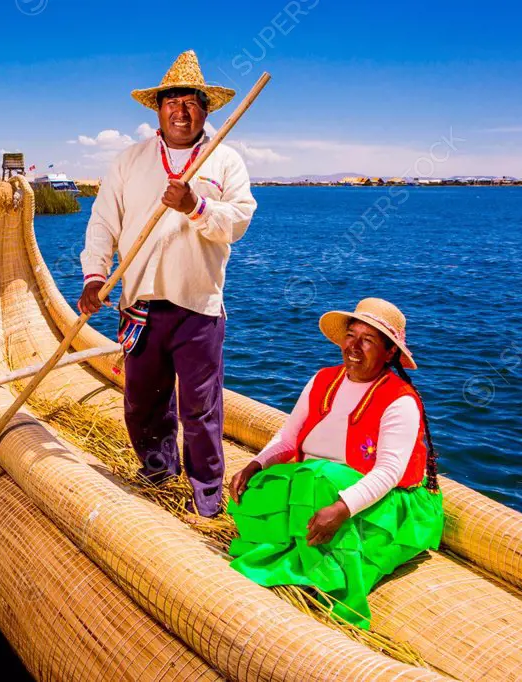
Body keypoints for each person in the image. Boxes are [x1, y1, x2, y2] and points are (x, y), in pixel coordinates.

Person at [77, 50, 257, 518]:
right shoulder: (130, 161)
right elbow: (102, 224)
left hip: (198, 307)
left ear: (206, 109)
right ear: (157, 109)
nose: (181, 110)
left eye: (191, 102)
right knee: (142, 403)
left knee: (201, 410)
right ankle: (158, 473)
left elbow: (237, 221)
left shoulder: (225, 161)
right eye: (171, 101)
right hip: (139, 306)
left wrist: (195, 205)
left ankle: (207, 495)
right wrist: (95, 275)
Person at [227, 298, 444, 629]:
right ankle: (300, 544)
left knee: (320, 480)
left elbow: (388, 473)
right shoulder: (324, 379)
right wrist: (255, 465)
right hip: (313, 483)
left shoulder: (400, 401)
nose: (354, 347)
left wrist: (341, 508)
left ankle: (322, 574)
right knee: (257, 488)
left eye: (368, 340)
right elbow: (287, 438)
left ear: (389, 353)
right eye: (351, 336)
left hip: (380, 500)